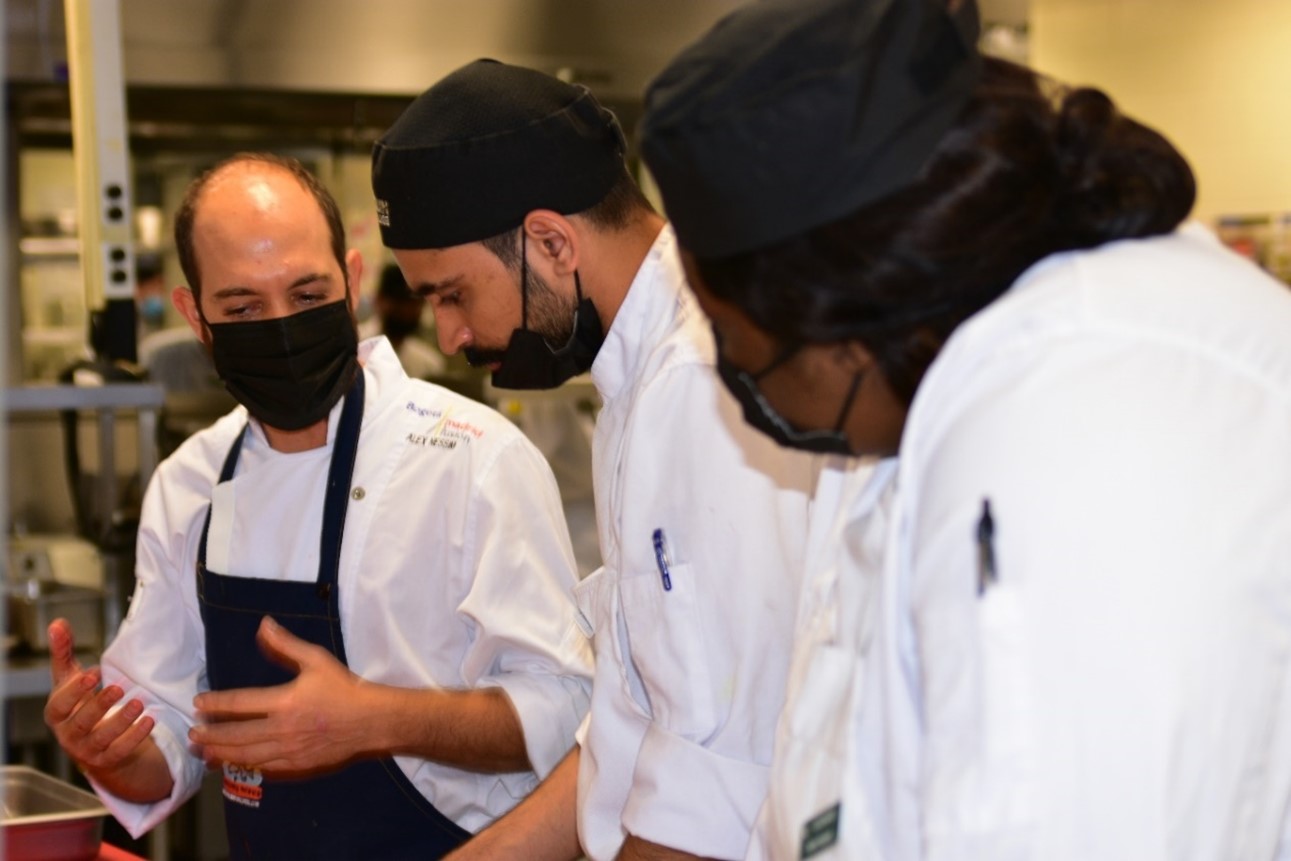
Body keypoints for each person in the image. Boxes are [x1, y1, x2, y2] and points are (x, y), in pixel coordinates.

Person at [638, 0, 1291, 858]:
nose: (733, 383)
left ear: (844, 324)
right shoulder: (963, 365)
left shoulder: (1082, 422)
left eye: (736, 346)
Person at [42, 153, 593, 860]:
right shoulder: (192, 483)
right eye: (242, 308)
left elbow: (569, 709)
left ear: (352, 281)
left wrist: (377, 720)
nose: (279, 326)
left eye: (306, 296)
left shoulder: (473, 458)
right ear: (196, 317)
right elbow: (169, 736)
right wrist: (113, 752)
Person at [371, 60, 819, 860]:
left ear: (549, 241)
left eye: (453, 294)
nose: (450, 337)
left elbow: (719, 791)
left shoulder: (697, 384)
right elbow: (627, 726)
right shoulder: (639, 374)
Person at [359, 262, 447, 379]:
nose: (407, 310)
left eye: (415, 303)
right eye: (401, 301)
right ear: (379, 300)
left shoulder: (429, 364)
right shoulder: (355, 347)